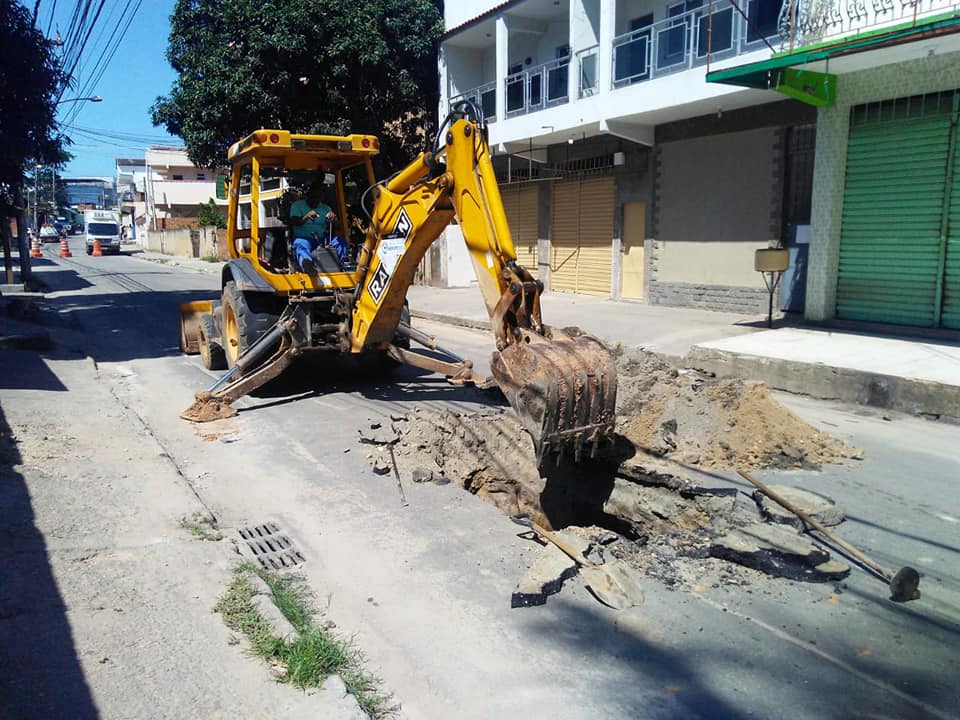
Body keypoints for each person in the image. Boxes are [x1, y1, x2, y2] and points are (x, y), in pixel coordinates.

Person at [290, 181, 336, 274]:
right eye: (313, 197)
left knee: (340, 241)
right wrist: (305, 217)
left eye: (318, 198)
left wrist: (333, 218)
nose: (315, 200)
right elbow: (293, 222)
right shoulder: (297, 206)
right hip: (304, 237)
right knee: (301, 245)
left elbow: (334, 223)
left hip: (322, 239)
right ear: (308, 195)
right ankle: (307, 264)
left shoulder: (326, 208)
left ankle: (340, 264)